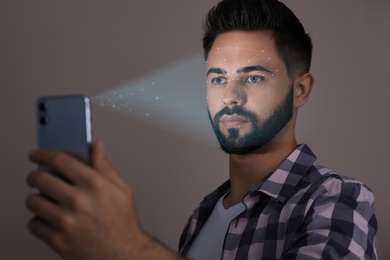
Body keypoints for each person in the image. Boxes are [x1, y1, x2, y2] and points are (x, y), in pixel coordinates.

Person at [26, 0, 378, 259]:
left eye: (253, 77)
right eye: (218, 78)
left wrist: (128, 247)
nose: (230, 96)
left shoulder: (338, 199)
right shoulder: (202, 217)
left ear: (300, 90)